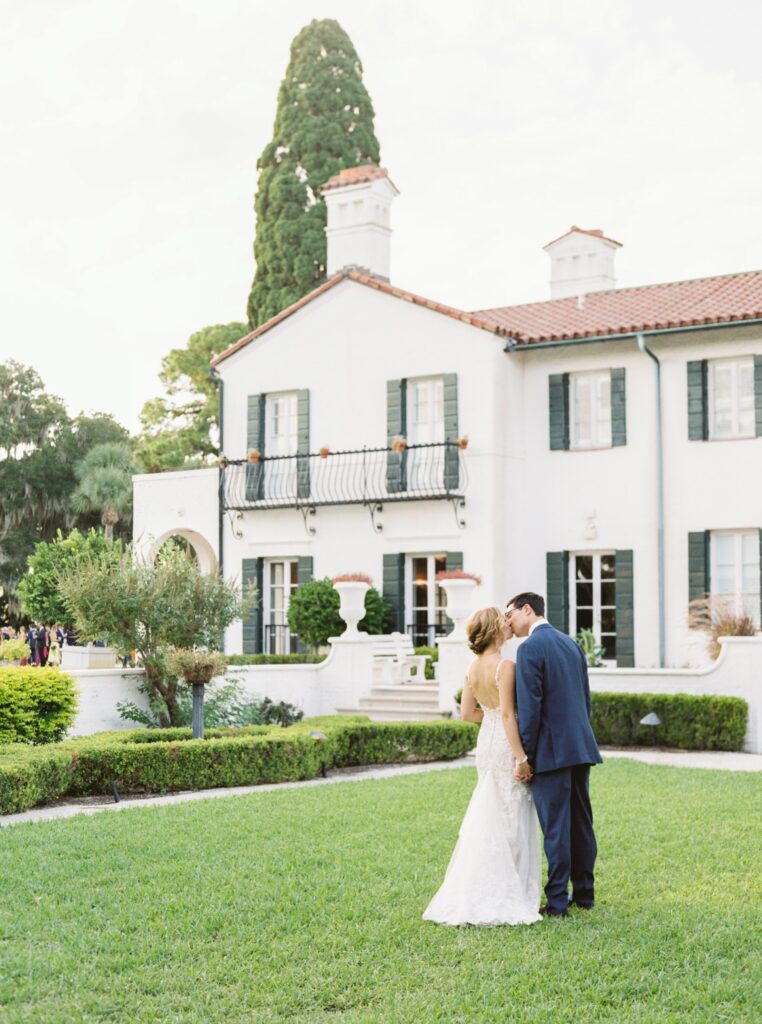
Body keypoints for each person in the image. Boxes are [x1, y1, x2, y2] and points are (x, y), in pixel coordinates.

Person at [423, 607, 541, 926]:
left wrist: (489, 718)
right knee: (512, 812)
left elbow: (467, 714)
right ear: (492, 632)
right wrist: (521, 757)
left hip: (485, 744)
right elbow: (506, 714)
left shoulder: (472, 668)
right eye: (503, 622)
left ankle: (481, 883)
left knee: (490, 807)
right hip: (504, 744)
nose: (508, 625)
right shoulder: (506, 665)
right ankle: (510, 887)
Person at [506, 592, 602, 918]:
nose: (508, 622)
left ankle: (558, 902)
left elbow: (530, 710)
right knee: (580, 822)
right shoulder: (571, 644)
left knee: (557, 827)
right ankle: (585, 894)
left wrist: (526, 756)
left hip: (550, 752)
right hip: (580, 746)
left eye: (511, 615)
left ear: (527, 609)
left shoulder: (529, 648)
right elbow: (584, 699)